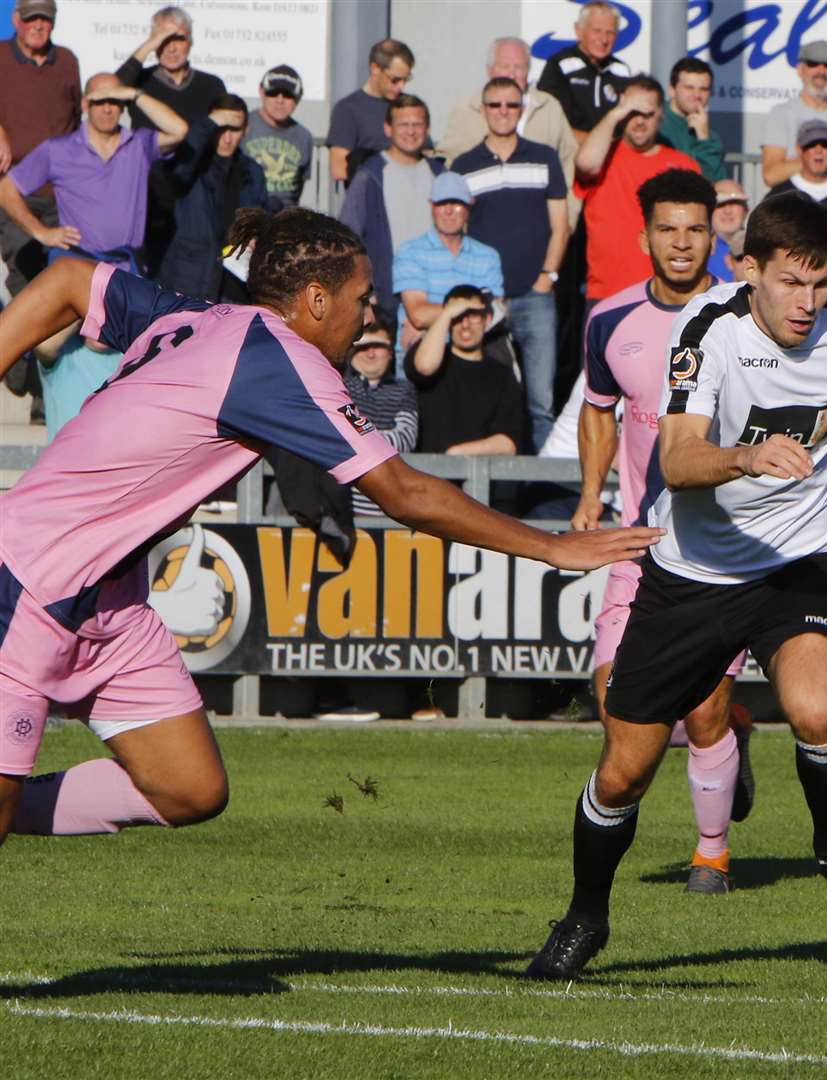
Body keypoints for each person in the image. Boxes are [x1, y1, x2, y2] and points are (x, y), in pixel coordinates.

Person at [0, 208, 660, 844]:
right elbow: (403, 493)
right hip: (31, 577)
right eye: (363, 298)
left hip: (110, 602)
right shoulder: (280, 358)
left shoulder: (206, 318)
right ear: (317, 299)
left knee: (187, 787)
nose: (369, 316)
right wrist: (551, 548)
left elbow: (67, 283)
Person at [525, 192, 827, 981]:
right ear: (749, 271)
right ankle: (584, 916)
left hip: (797, 562)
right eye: (789, 283)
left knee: (814, 709)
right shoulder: (705, 329)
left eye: (818, 283)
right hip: (694, 574)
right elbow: (676, 459)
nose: (807, 303)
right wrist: (745, 454)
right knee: (624, 770)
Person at [574, 169, 754, 894]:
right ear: (644, 235)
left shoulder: (744, 318)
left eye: (695, 229)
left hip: (723, 551)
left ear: (713, 235)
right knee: (619, 704)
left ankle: (711, 851)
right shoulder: (609, 321)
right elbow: (597, 407)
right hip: (640, 545)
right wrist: (592, 493)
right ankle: (733, 739)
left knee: (702, 706)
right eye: (667, 229)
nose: (681, 243)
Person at [452, 76, 570, 448]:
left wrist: (547, 277)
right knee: (492, 398)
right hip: (487, 301)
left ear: (521, 111)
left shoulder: (544, 156)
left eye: (511, 105)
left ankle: (543, 495)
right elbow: (460, 232)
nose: (503, 112)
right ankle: (498, 490)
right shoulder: (464, 164)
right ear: (483, 110)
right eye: (496, 105)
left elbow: (561, 226)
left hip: (537, 298)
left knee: (541, 403)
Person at [0, 73, 187, 270]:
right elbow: (5, 190)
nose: (107, 109)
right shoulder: (58, 150)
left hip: (126, 270)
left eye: (114, 100)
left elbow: (179, 131)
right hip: (77, 267)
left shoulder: (139, 144)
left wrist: (134, 94)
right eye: (99, 101)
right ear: (85, 105)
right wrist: (42, 233)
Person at [574, 76, 699, 304]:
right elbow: (585, 163)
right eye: (632, 113)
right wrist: (616, 113)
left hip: (668, 296)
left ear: (661, 115)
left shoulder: (683, 165)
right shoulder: (603, 157)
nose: (640, 121)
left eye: (648, 114)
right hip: (606, 295)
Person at [338, 94, 444, 322]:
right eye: (403, 125)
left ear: (427, 129)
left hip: (434, 295)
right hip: (386, 298)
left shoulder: (440, 174)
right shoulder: (370, 175)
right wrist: (365, 293)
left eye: (417, 125)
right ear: (388, 128)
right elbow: (349, 237)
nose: (411, 131)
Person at [0, 0, 81, 298]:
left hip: (61, 191)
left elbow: (75, 121)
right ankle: (22, 343)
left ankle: (53, 343)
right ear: (16, 20)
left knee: (66, 267)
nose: (38, 25)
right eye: (31, 17)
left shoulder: (67, 61)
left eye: (45, 19)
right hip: (13, 190)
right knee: (24, 264)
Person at [155, 94, 272, 300]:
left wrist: (256, 237)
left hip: (234, 285)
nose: (227, 138)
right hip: (188, 280)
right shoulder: (192, 165)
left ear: (246, 131)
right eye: (220, 128)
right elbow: (179, 167)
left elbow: (262, 217)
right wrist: (208, 124)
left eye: (234, 129)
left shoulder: (253, 172)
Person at [435, 37, 577, 202]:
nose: (512, 74)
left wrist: (568, 216)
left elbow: (570, 163)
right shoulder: (466, 110)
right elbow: (447, 165)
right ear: (489, 70)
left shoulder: (548, 107)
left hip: (541, 221)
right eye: (505, 66)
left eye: (519, 67)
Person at [405, 284, 527, 458]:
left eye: (473, 316)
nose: (465, 324)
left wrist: (455, 455)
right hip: (429, 477)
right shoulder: (427, 354)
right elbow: (425, 367)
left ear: (488, 319)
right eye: (457, 316)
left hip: (480, 479)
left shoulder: (503, 375)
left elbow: (508, 443)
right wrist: (446, 313)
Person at [391, 172, 503, 353]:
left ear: (469, 206)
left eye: (457, 203)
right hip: (420, 356)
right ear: (431, 206)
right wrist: (474, 311)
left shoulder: (488, 256)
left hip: (470, 357)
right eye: (442, 203)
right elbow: (418, 315)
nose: (449, 211)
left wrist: (436, 316)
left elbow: (494, 314)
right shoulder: (410, 252)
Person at [342, 312, 418, 518]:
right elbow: (340, 433)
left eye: (378, 346)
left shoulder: (404, 389)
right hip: (347, 507)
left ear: (391, 352)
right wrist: (378, 435)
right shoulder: (339, 386)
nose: (371, 354)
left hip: (395, 509)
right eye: (363, 347)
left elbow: (406, 439)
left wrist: (361, 435)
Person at [760, 40, 827, 188]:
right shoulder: (781, 114)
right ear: (800, 70)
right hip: (793, 202)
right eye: (813, 64)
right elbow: (771, 175)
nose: (821, 71)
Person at [114, 6, 226, 129]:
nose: (171, 49)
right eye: (164, 40)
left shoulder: (212, 84)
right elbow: (111, 91)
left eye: (179, 39)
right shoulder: (138, 81)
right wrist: (148, 46)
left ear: (190, 42)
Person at [536, 0, 632, 144]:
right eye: (597, 31)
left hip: (614, 157)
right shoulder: (560, 64)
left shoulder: (621, 70)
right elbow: (550, 120)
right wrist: (595, 145)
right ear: (579, 31)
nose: (604, 39)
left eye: (610, 32)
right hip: (570, 153)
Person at [328, 39, 415, 184]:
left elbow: (426, 157)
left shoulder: (409, 107)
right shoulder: (348, 109)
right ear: (375, 68)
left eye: (406, 80)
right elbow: (339, 168)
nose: (401, 87)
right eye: (395, 80)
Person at [243, 65, 313, 212]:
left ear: (298, 98)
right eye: (273, 93)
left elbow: (299, 187)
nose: (280, 100)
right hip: (248, 214)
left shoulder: (304, 137)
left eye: (288, 95)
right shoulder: (243, 126)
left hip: (285, 221)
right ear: (261, 92)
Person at [657, 57, 723, 182]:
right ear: (672, 90)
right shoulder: (655, 123)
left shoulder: (711, 137)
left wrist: (704, 139)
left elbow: (716, 183)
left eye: (703, 89)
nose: (697, 95)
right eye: (689, 88)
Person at [767, 119, 827, 211]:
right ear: (799, 149)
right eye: (811, 145)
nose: (819, 150)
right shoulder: (778, 196)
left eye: (825, 145)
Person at [706, 179, 747, 281]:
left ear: (746, 210)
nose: (727, 211)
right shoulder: (696, 251)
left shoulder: (761, 249)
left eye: (734, 203)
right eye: (720, 204)